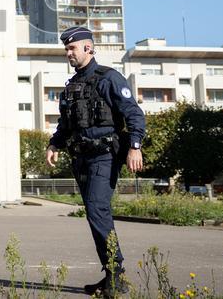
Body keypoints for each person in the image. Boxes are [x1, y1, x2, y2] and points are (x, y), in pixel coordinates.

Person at [46, 26, 145, 297]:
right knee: (94, 213)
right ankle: (111, 273)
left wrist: (134, 146)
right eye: (66, 49)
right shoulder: (71, 86)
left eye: (72, 48)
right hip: (81, 158)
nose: (68, 53)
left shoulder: (109, 78)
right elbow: (66, 125)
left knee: (97, 209)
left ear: (88, 48)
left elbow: (134, 114)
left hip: (105, 155)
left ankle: (116, 274)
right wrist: (54, 143)